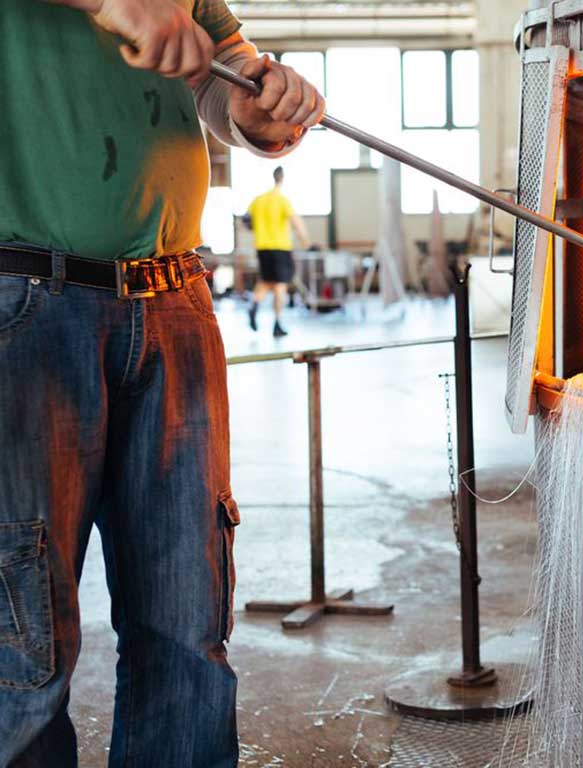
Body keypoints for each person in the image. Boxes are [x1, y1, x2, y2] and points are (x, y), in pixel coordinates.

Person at [0, 1, 325, 766]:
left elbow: (217, 69)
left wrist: (255, 105)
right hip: (24, 302)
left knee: (187, 630)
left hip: (175, 296)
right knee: (21, 646)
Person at [247, 166, 310, 338]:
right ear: (282, 178)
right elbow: (296, 222)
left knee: (266, 281)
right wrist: (305, 240)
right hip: (280, 247)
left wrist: (259, 230)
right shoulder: (282, 200)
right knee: (280, 286)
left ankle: (254, 305)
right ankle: (277, 323)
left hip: (262, 247)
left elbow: (246, 220)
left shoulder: (258, 200)